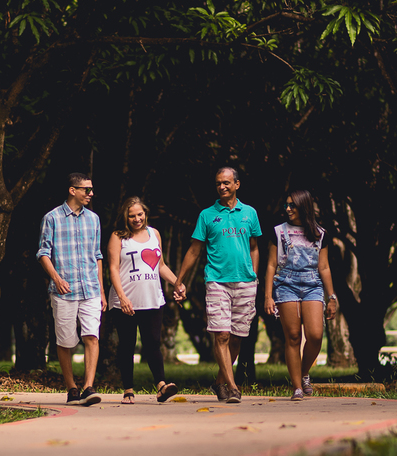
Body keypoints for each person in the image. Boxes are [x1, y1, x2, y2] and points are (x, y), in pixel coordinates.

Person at [173, 167, 260, 404]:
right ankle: (232, 386)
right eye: (218, 183)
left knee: (237, 337)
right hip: (217, 281)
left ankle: (220, 382)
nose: (222, 187)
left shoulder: (250, 213)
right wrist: (179, 279)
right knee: (221, 334)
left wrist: (254, 275)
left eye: (226, 183)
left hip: (246, 282)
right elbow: (194, 250)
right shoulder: (207, 215)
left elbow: (254, 247)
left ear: (237, 185)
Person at [38, 173, 105, 406]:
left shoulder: (94, 219)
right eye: (86, 189)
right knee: (65, 341)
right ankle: (71, 388)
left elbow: (97, 256)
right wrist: (56, 278)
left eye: (91, 189)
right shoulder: (52, 218)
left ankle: (88, 386)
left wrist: (102, 291)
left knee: (91, 336)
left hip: (91, 289)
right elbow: (43, 253)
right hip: (64, 291)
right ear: (72, 190)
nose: (90, 193)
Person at [263, 189, 338, 400]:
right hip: (286, 284)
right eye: (286, 205)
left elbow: (324, 267)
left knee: (315, 335)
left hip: (313, 284)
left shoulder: (320, 233)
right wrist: (268, 296)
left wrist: (331, 297)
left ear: (303, 206)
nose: (287, 209)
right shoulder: (278, 232)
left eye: (292, 205)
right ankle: (297, 386)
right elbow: (270, 265)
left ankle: (304, 372)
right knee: (293, 336)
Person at [106, 197, 181, 404]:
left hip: (152, 298)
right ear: (125, 217)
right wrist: (121, 297)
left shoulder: (153, 234)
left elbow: (161, 265)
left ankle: (161, 386)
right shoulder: (118, 237)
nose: (137, 219)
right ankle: (128, 390)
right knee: (127, 345)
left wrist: (177, 283)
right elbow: (112, 268)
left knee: (153, 343)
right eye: (132, 216)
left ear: (145, 213)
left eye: (140, 214)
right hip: (126, 301)